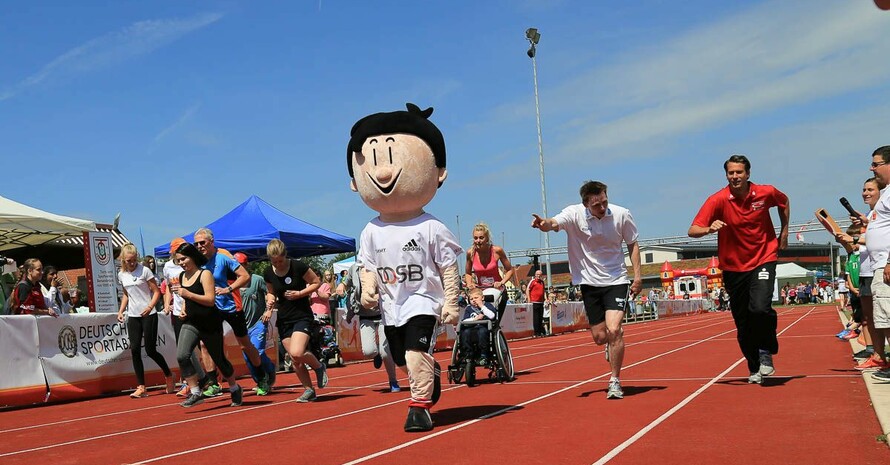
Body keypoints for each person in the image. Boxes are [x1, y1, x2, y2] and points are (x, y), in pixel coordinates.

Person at [347, 103, 461, 432]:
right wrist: (368, 291)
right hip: (390, 306)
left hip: (423, 300)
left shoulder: (431, 227)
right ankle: (430, 374)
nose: (382, 174)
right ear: (355, 182)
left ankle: (419, 406)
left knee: (413, 354)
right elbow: (367, 266)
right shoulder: (370, 230)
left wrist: (451, 302)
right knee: (399, 358)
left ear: (438, 172)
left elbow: (448, 266)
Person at [531, 180, 642, 399]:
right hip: (589, 283)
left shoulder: (621, 214)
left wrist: (637, 276)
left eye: (604, 202)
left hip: (616, 279)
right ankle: (609, 343)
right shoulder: (574, 214)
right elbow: (554, 223)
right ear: (585, 204)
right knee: (600, 337)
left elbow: (633, 244)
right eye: (596, 205)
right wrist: (543, 223)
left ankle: (614, 381)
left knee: (614, 329)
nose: (602, 208)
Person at [688, 154, 789, 385]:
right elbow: (692, 229)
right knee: (743, 323)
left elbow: (784, 202)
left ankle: (767, 349)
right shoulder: (718, 199)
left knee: (760, 308)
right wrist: (708, 229)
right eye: (731, 173)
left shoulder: (766, 192)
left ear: (748, 174)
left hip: (764, 256)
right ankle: (754, 367)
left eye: (739, 172)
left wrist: (784, 231)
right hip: (734, 266)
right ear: (726, 175)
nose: (735, 176)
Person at [193, 228, 273, 396]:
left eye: (203, 242)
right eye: (196, 244)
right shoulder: (197, 262)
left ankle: (261, 377)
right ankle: (214, 383)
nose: (199, 246)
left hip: (231, 307)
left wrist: (228, 289)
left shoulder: (223, 257)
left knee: (245, 345)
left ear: (211, 241)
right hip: (211, 308)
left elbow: (245, 277)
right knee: (205, 345)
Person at [172, 242, 243, 408]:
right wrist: (183, 308)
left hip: (210, 323)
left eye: (183, 259)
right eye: (178, 261)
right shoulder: (183, 276)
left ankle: (234, 387)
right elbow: (186, 299)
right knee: (182, 355)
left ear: (192, 257)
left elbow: (210, 300)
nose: (181, 263)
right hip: (191, 322)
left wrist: (187, 293)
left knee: (219, 359)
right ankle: (196, 391)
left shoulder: (205, 274)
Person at [263, 239, 328, 402]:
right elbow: (271, 292)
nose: (278, 264)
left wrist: (300, 293)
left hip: (301, 316)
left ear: (285, 256)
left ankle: (319, 367)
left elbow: (316, 282)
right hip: (284, 319)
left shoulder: (298, 266)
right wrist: (269, 303)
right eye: (274, 261)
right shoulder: (268, 272)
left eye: (280, 260)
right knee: (295, 360)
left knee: (297, 352)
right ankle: (309, 390)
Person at [116, 243, 175, 398]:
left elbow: (156, 292)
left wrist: (149, 307)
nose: (132, 263)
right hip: (133, 315)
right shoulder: (122, 274)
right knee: (134, 350)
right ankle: (141, 386)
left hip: (149, 314)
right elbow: (126, 294)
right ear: (123, 260)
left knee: (150, 350)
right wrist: (121, 310)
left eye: (134, 260)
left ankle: (169, 374)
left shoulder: (145, 271)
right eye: (129, 260)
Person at [344, 261, 401, 392]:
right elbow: (348, 285)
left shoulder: (381, 265)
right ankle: (376, 355)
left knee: (385, 353)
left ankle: (393, 380)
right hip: (365, 314)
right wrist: (342, 286)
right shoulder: (354, 269)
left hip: (383, 314)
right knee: (369, 351)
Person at [163, 237, 206, 396]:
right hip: (177, 311)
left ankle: (212, 378)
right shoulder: (168, 266)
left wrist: (187, 305)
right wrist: (167, 303)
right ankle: (194, 381)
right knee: (183, 350)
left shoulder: (191, 264)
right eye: (174, 253)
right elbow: (168, 286)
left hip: (193, 309)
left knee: (202, 348)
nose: (177, 257)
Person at [862, 146, 890, 382]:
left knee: (888, 317)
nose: (872, 168)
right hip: (879, 264)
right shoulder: (888, 192)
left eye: (876, 163)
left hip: (886, 264)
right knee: (884, 318)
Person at [233, 252, 277, 395]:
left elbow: (270, 293)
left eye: (240, 265)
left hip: (258, 322)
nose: (237, 268)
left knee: (257, 351)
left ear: (247, 265)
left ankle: (269, 371)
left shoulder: (257, 280)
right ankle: (260, 380)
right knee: (247, 356)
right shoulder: (231, 283)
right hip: (241, 325)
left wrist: (269, 310)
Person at [463, 221, 514, 319]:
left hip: (497, 291)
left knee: (494, 319)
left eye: (481, 238)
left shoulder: (497, 251)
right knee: (480, 318)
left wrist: (501, 282)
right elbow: (468, 273)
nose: (478, 241)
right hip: (481, 293)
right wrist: (470, 284)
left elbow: (510, 270)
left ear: (487, 238)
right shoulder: (470, 253)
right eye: (476, 238)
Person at [459, 287, 496, 366]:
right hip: (472, 329)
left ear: (482, 298)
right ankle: (468, 354)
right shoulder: (469, 308)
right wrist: (475, 319)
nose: (474, 300)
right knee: (465, 332)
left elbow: (492, 316)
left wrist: (482, 306)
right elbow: (464, 321)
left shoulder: (487, 305)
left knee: (482, 331)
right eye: (471, 299)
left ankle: (483, 355)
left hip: (484, 328)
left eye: (476, 298)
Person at [525, 270, 546, 337]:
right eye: (537, 274)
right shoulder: (533, 281)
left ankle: (540, 332)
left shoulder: (542, 282)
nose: (538, 276)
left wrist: (546, 298)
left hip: (541, 302)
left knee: (540, 317)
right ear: (535, 275)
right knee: (536, 318)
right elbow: (527, 290)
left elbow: (544, 291)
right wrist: (529, 299)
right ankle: (536, 332)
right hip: (534, 302)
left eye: (540, 274)